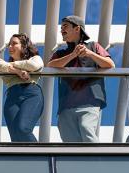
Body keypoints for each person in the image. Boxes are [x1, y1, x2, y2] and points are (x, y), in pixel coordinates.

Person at [48, 15, 115, 143]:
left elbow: (110, 64)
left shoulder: (93, 46)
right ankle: (77, 163)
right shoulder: (61, 53)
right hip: (66, 105)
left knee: (87, 129)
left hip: (89, 102)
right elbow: (50, 66)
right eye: (61, 28)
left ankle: (97, 162)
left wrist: (90, 54)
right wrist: (73, 55)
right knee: (69, 140)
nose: (61, 30)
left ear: (77, 28)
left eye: (65, 27)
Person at [0, 33, 44, 142]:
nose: (10, 47)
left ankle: (39, 157)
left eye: (14, 44)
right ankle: (24, 158)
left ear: (24, 46)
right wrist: (17, 71)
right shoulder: (7, 64)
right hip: (12, 97)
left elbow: (34, 66)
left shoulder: (35, 58)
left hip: (31, 93)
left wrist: (11, 65)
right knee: (15, 136)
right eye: (9, 44)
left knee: (23, 128)